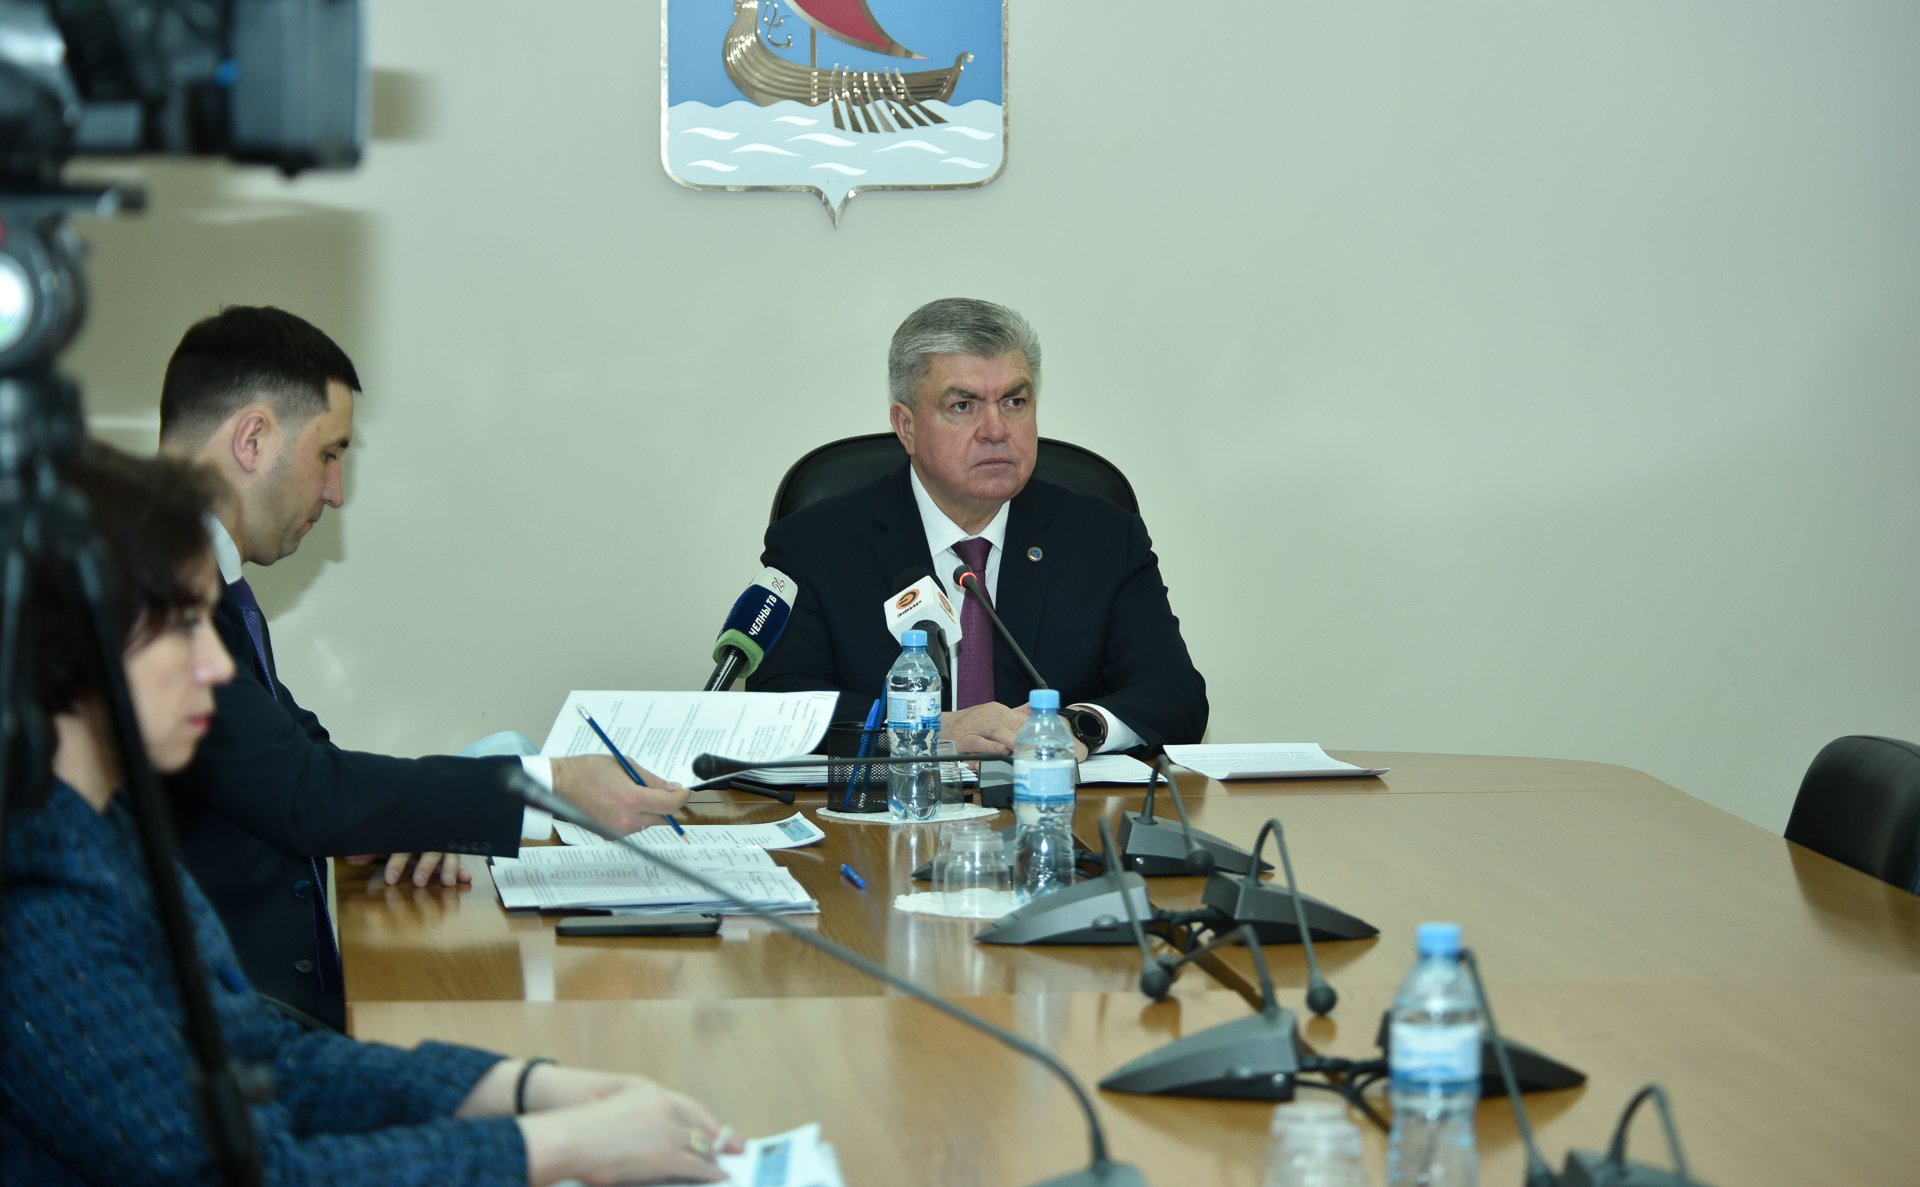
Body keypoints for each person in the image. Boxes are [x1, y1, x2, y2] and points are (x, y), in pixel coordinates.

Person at [0, 447, 743, 1186]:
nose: (219, 667)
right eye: (183, 626)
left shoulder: (101, 829)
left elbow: (269, 1062)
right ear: (74, 645)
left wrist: (526, 1088)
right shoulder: (39, 902)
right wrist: (556, 1147)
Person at [155, 306, 688, 1031]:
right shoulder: (158, 595)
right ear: (252, 440)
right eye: (329, 454)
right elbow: (305, 794)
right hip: (227, 1031)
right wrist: (552, 784)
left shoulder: (200, 579)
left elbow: (302, 751)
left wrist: (429, 812)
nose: (336, 491)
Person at [750, 297, 1208, 756]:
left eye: (1014, 402)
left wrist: (1080, 726)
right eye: (963, 405)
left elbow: (1175, 693)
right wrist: (923, 729)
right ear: (906, 426)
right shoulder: (815, 545)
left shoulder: (1104, 537)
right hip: (896, 800)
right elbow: (776, 703)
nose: (996, 429)